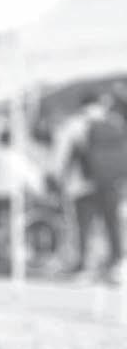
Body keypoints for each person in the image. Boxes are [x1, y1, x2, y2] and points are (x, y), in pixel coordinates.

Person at [54, 89, 127, 280]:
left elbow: (60, 157)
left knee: (83, 225)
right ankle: (117, 264)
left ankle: (84, 265)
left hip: (82, 184)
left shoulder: (73, 125)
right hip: (111, 182)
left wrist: (58, 180)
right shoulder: (114, 122)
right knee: (112, 224)